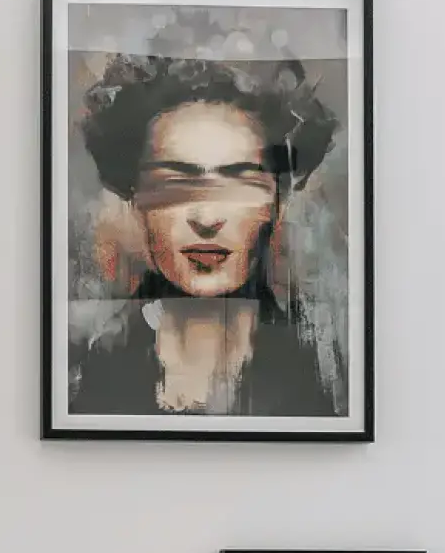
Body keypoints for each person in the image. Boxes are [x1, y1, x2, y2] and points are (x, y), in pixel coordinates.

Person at [69, 50, 343, 420]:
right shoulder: (87, 370)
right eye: (174, 184)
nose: (207, 218)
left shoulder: (323, 373)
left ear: (277, 201)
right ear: (135, 198)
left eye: (240, 184)